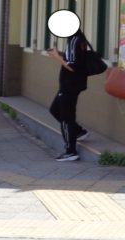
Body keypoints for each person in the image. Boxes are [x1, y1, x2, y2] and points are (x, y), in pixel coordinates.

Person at [45, 29, 90, 162]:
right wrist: (59, 55)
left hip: (70, 84)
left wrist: (56, 56)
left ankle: (71, 151)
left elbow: (72, 66)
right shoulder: (79, 39)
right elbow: (75, 60)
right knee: (55, 109)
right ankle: (78, 131)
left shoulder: (74, 40)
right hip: (74, 84)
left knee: (66, 116)